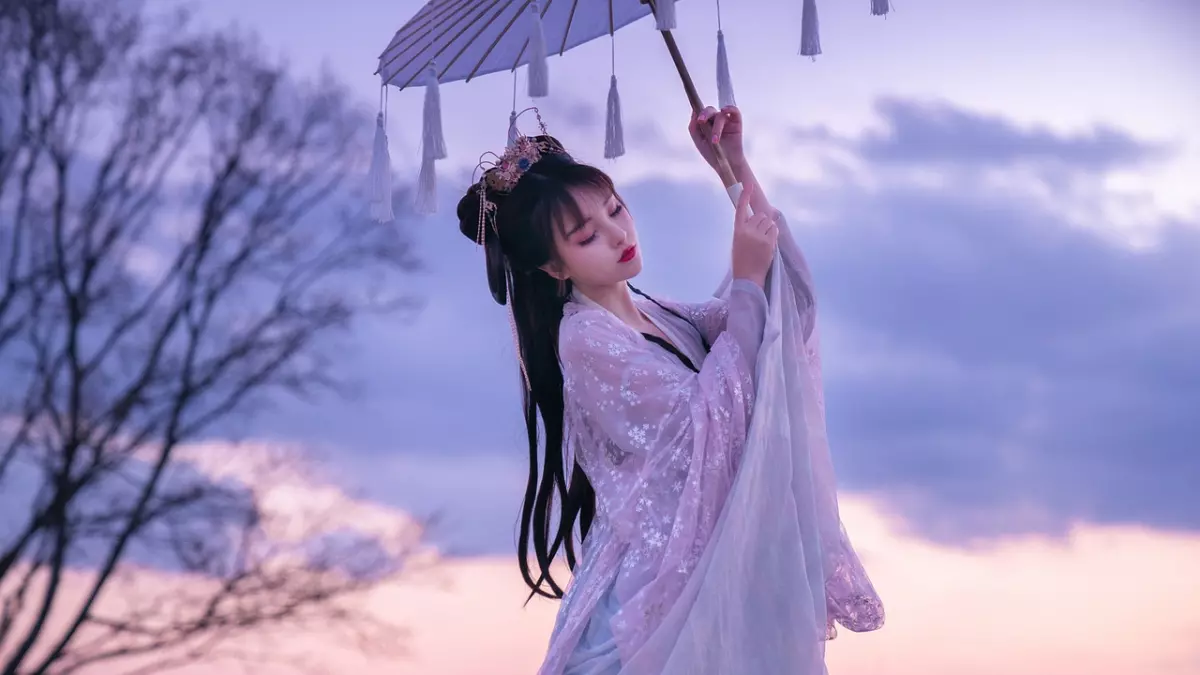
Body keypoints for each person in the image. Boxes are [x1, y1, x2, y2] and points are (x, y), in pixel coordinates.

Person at [456, 105, 883, 675]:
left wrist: (732, 168)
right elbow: (707, 422)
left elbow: (783, 309)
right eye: (587, 236)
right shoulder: (585, 339)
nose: (617, 234)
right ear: (555, 268)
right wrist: (748, 280)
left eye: (614, 209)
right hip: (656, 603)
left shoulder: (662, 315)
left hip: (707, 580)